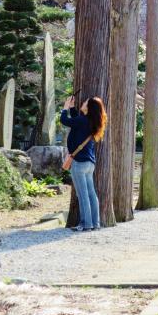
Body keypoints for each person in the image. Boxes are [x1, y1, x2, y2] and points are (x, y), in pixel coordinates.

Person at [61, 95, 107, 232]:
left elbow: (65, 121)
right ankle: (95, 223)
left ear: (88, 108)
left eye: (85, 103)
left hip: (79, 163)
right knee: (91, 193)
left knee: (83, 195)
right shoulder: (90, 122)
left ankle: (86, 224)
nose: (83, 103)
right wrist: (72, 108)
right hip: (89, 163)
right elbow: (76, 122)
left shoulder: (82, 121)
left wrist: (64, 108)